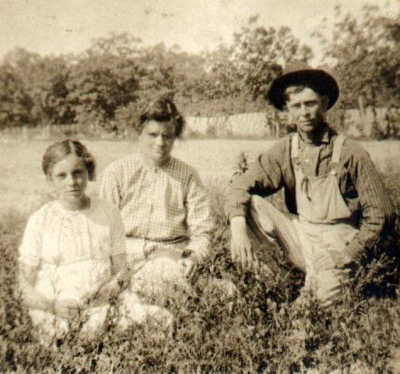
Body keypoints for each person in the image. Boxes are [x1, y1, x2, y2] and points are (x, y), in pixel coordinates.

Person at [224, 62, 397, 306]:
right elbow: (239, 186)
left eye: (310, 103)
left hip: (339, 241)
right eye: (296, 106)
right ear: (288, 110)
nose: (304, 113)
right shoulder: (286, 149)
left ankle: (315, 291)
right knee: (251, 204)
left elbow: (382, 215)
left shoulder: (350, 152)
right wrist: (239, 231)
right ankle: (279, 284)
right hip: (301, 237)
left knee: (317, 304)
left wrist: (347, 255)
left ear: (324, 104)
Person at [18, 140, 171, 345]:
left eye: (77, 173)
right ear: (49, 179)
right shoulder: (41, 220)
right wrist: (54, 307)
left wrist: (108, 292)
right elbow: (23, 287)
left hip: (103, 298)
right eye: (61, 176)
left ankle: (105, 334)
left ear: (88, 172)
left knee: (161, 319)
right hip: (60, 304)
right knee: (66, 333)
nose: (71, 182)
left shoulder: (108, 212)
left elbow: (122, 270)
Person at [99, 97, 214, 299]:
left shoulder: (188, 176)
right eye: (152, 134)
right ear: (140, 135)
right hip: (124, 256)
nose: (160, 142)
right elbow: (102, 229)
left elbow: (202, 232)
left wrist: (192, 257)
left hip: (168, 255)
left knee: (164, 280)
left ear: (175, 137)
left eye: (167, 136)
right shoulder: (117, 172)